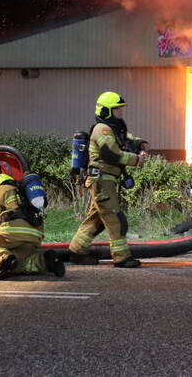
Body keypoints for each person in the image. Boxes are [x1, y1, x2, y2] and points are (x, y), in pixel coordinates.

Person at [67, 91, 148, 268]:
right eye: (117, 110)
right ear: (106, 112)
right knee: (114, 218)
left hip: (106, 181)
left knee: (95, 220)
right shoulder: (101, 129)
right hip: (102, 181)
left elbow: (126, 139)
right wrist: (136, 159)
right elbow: (110, 152)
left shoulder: (113, 129)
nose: (121, 113)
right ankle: (121, 257)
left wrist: (141, 143)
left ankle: (76, 251)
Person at [0, 173, 64, 279]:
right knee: (21, 260)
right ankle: (44, 261)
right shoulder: (25, 194)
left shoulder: (0, 190)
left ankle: (3, 258)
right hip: (34, 237)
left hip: (10, 234)